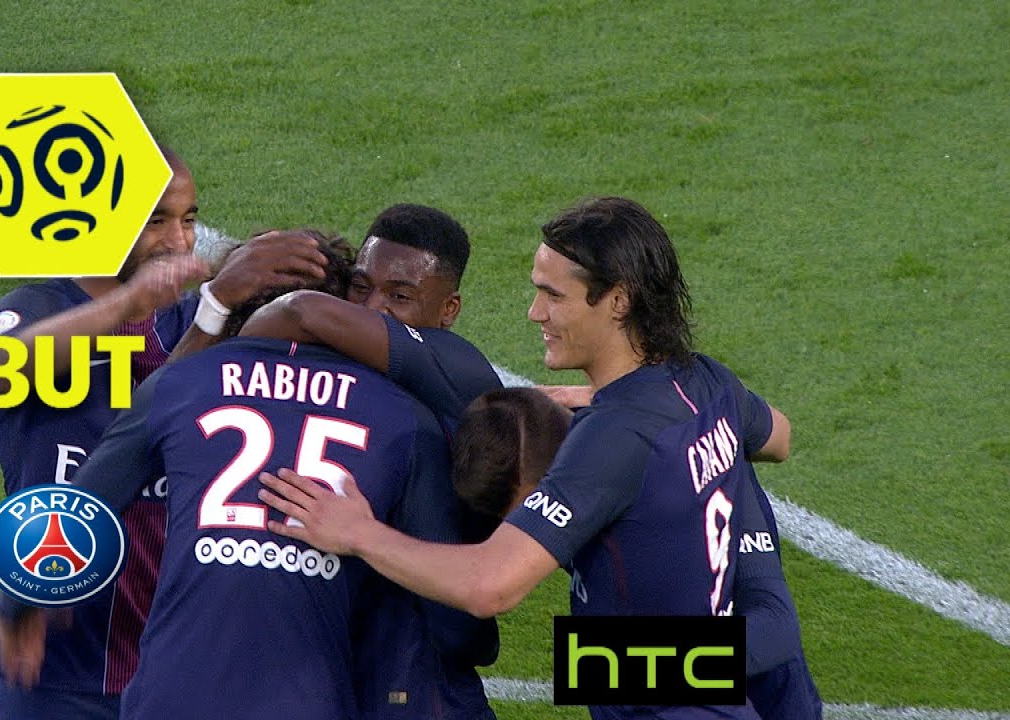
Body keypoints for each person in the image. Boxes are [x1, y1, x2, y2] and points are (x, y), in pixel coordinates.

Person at [258, 196, 793, 720]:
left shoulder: (611, 438)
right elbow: (780, 437)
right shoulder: (706, 383)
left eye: (553, 295)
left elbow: (488, 586)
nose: (535, 312)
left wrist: (359, 534)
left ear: (618, 301)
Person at [0, 151, 331, 719]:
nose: (179, 241)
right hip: (52, 664)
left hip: (169, 666)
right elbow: (5, 367)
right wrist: (131, 301)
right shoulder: (35, 311)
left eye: (189, 220)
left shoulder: (198, 324)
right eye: (156, 220)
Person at [240, 204, 501, 719]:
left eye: (399, 297)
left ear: (449, 310)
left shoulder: (452, 379)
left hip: (408, 681)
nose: (373, 308)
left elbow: (303, 312)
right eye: (361, 288)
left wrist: (226, 339)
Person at [450, 387, 823, 719]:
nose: (540, 534)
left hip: (746, 674)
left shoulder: (691, 459)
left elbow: (775, 627)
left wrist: (617, 664)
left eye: (542, 508)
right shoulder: (548, 448)